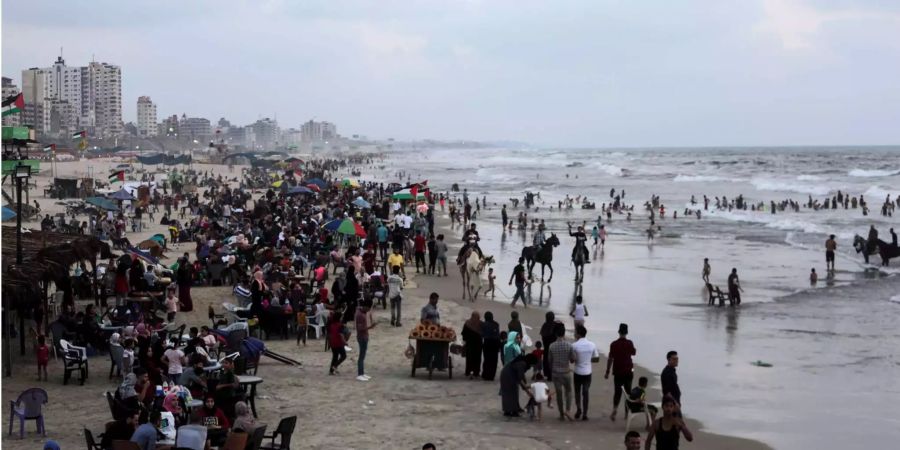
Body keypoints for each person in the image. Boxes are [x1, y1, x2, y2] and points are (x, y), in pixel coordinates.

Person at [606, 323, 636, 422]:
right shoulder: (630, 343)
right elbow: (634, 353)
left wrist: (607, 371)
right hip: (628, 371)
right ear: (626, 333)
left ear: (619, 332)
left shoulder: (613, 344)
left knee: (617, 392)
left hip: (618, 371)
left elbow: (610, 358)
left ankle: (615, 409)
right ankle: (627, 413)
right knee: (628, 393)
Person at [572, 325, 599, 420]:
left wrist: (577, 360)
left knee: (577, 392)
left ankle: (579, 408)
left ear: (578, 334)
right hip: (587, 372)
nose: (574, 334)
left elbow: (572, 360)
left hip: (577, 372)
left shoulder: (574, 345)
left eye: (575, 332)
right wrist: (587, 360)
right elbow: (597, 359)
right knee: (585, 392)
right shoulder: (592, 344)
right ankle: (585, 413)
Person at [355, 301, 375, 381]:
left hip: (364, 336)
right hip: (362, 337)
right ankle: (360, 374)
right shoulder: (360, 315)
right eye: (368, 308)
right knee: (361, 356)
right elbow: (360, 329)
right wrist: (370, 327)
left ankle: (362, 373)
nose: (368, 310)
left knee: (363, 356)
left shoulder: (362, 313)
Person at [462, 311, 484, 378]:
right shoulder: (481, 323)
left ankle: (468, 371)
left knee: (469, 358)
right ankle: (476, 372)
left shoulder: (467, 323)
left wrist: (465, 340)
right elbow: (483, 333)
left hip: (469, 343)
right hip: (478, 343)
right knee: (477, 358)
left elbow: (464, 333)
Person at [481, 311, 502, 380]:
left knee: (487, 359)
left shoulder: (484, 324)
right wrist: (499, 346)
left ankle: (485, 374)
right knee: (494, 360)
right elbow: (498, 336)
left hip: (487, 343)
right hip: (495, 344)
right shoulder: (496, 324)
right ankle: (491, 376)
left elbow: (482, 334)